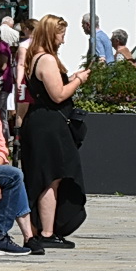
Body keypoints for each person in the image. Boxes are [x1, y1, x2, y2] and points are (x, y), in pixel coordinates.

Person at [20, 14, 89, 246]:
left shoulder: (34, 57)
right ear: (51, 34)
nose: (63, 41)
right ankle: (47, 232)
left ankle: (40, 229)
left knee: (42, 176)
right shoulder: (47, 59)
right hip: (48, 125)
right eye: (61, 35)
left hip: (39, 122)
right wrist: (79, 80)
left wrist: (71, 78)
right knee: (51, 177)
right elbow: (58, 94)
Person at [0, 71, 37, 256]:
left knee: (10, 174)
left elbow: (0, 145)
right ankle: (4, 235)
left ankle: (24, 235)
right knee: (14, 176)